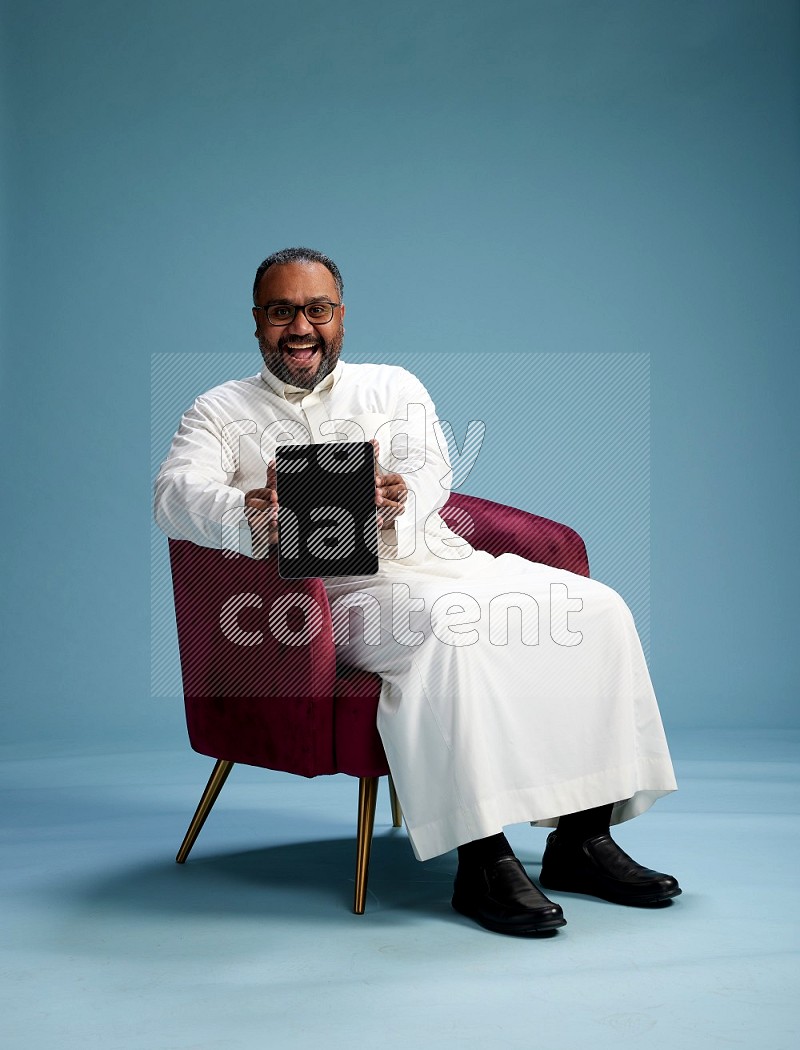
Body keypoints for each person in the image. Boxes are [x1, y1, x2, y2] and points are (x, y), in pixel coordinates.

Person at [154, 246, 681, 936]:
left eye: (317, 309)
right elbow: (172, 496)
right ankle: (481, 858)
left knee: (595, 609)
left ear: (341, 317)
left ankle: (582, 839)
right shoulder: (218, 409)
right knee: (448, 626)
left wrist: (400, 494)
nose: (301, 327)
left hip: (436, 560)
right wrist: (255, 509)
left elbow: (430, 468)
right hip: (332, 594)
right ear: (257, 322)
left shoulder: (393, 385)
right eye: (282, 311)